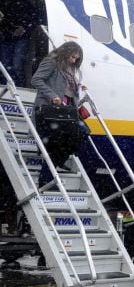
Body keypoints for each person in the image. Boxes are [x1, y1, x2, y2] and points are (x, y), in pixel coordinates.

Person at [30, 41, 90, 183]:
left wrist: (79, 88)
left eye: (76, 58)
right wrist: (52, 96)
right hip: (51, 110)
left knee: (82, 133)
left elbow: (66, 88)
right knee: (57, 143)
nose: (74, 60)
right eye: (72, 57)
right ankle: (46, 179)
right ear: (65, 52)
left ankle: (56, 164)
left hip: (66, 111)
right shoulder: (51, 62)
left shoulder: (69, 68)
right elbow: (36, 80)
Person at [0, 0, 37, 86]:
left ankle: (21, 86)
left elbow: (34, 17)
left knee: (17, 65)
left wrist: (24, 28)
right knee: (5, 65)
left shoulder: (22, 2)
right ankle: (9, 85)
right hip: (5, 37)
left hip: (21, 37)